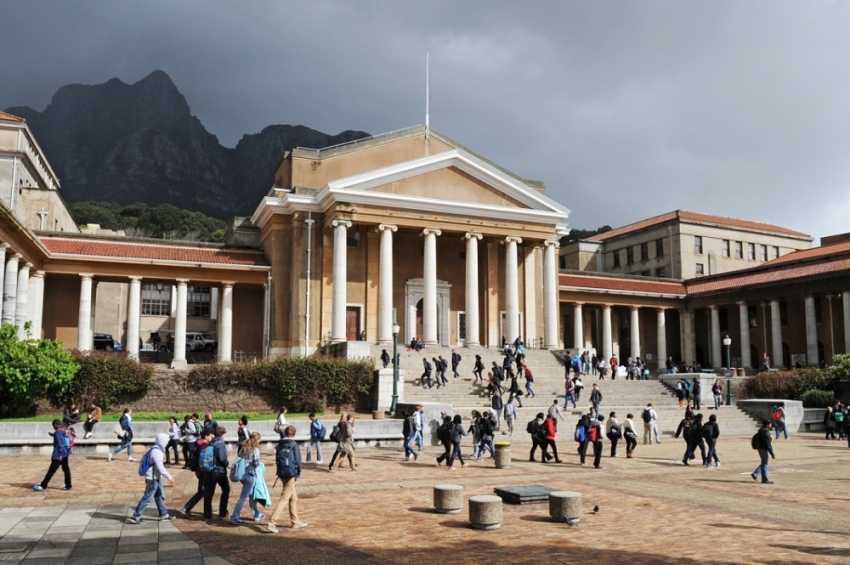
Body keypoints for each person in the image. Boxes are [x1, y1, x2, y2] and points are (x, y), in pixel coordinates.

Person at [268, 425, 307, 532]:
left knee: (293, 498)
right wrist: (298, 472)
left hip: (282, 473)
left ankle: (295, 521)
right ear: (294, 434)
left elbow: (276, 459)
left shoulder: (280, 444)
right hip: (291, 474)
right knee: (284, 498)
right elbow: (298, 460)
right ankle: (272, 522)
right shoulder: (293, 444)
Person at [128, 432, 174, 523]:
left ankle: (164, 514)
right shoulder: (157, 452)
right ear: (163, 441)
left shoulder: (155, 449)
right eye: (167, 441)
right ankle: (136, 516)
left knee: (160, 496)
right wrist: (169, 477)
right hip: (152, 479)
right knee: (147, 497)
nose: (168, 443)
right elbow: (160, 467)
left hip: (156, 478)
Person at [231, 432, 265, 525]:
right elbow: (256, 463)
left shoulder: (244, 448)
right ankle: (235, 517)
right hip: (250, 475)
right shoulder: (255, 450)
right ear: (257, 440)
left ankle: (256, 514)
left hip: (242, 475)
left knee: (251, 494)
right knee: (243, 497)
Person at [179, 429, 212, 518]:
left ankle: (209, 508)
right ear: (206, 436)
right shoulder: (204, 447)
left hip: (198, 470)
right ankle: (186, 508)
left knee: (206, 490)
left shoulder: (198, 444)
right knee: (202, 492)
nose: (211, 437)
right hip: (203, 471)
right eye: (210, 436)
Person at [33, 419, 72, 492]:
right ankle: (68, 486)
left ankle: (43, 486)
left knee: (51, 470)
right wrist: (53, 435)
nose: (54, 427)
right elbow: (63, 439)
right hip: (65, 453)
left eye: (53, 426)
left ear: (55, 425)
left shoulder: (58, 432)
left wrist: (60, 454)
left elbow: (61, 443)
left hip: (58, 455)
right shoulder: (63, 430)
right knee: (66, 469)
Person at [203, 426, 230, 520]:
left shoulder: (212, 441)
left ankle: (207, 513)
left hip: (210, 470)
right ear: (222, 434)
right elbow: (222, 458)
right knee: (226, 489)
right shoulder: (220, 443)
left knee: (209, 492)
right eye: (225, 433)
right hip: (219, 471)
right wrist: (227, 463)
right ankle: (223, 511)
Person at [751, 420, 775, 484]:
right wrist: (772, 453)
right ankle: (765, 479)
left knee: (764, 463)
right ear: (767, 425)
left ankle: (755, 474)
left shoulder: (761, 430)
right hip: (763, 448)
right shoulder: (766, 432)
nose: (771, 425)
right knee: (765, 464)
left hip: (760, 448)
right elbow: (768, 444)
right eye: (770, 424)